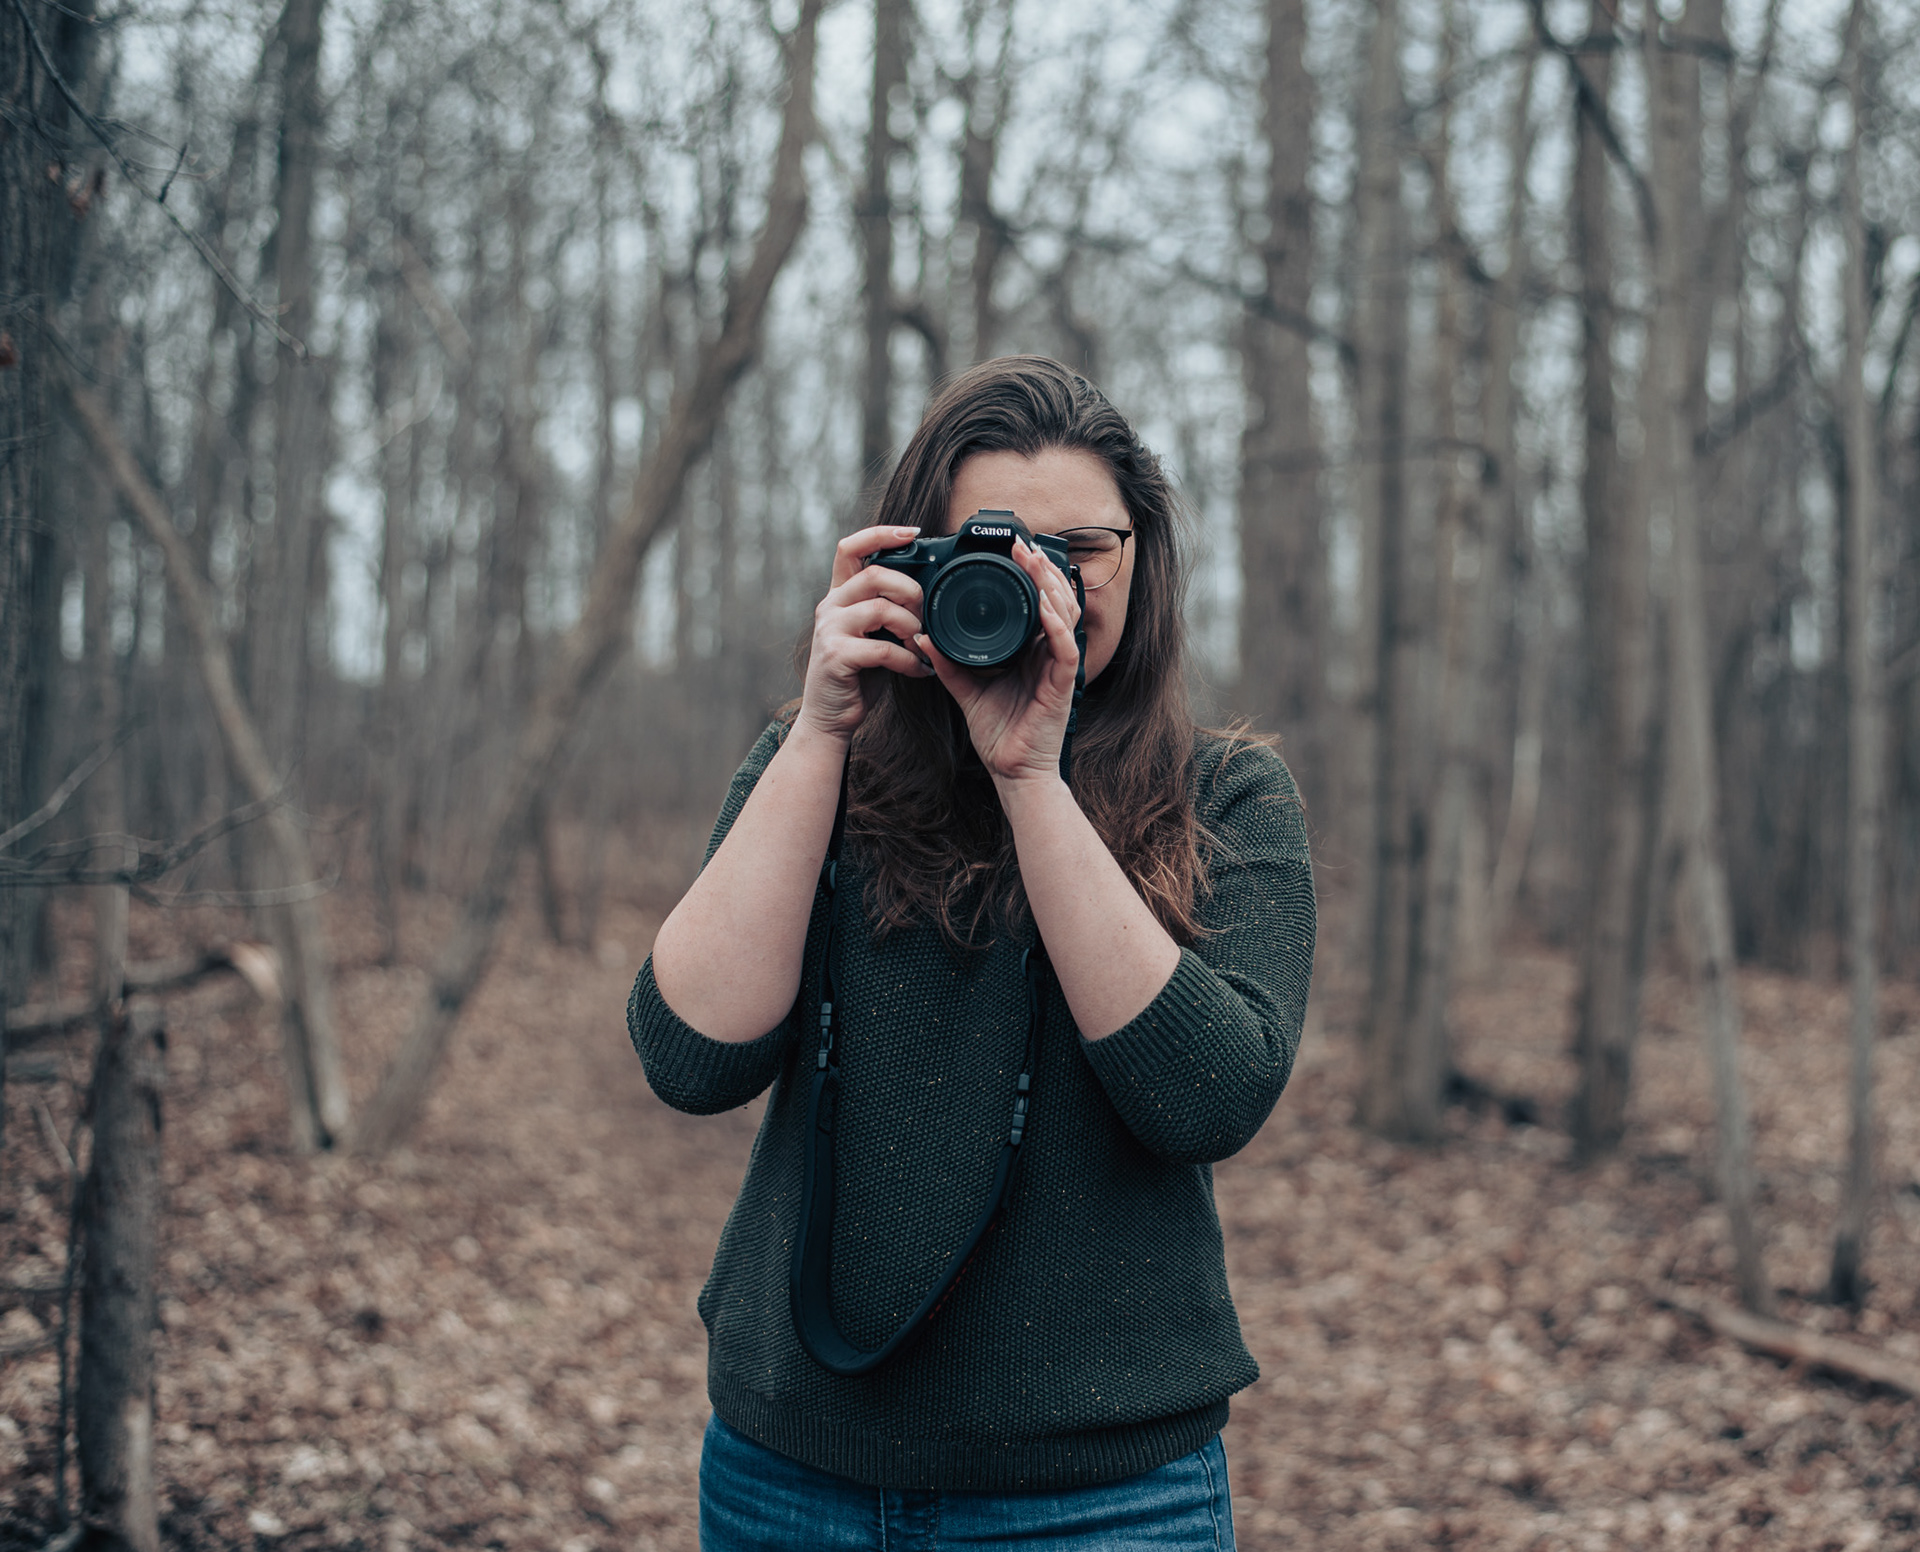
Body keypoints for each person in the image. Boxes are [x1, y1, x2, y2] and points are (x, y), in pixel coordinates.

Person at [628, 355, 1314, 1550]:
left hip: (1106, 1498)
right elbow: (691, 1057)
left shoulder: (1227, 793)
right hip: (795, 1473)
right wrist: (821, 733)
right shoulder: (818, 765)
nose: (1042, 583)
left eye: (1081, 551)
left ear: (1141, 558)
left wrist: (1030, 779)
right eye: (996, 552)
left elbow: (1209, 1095)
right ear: (911, 566)